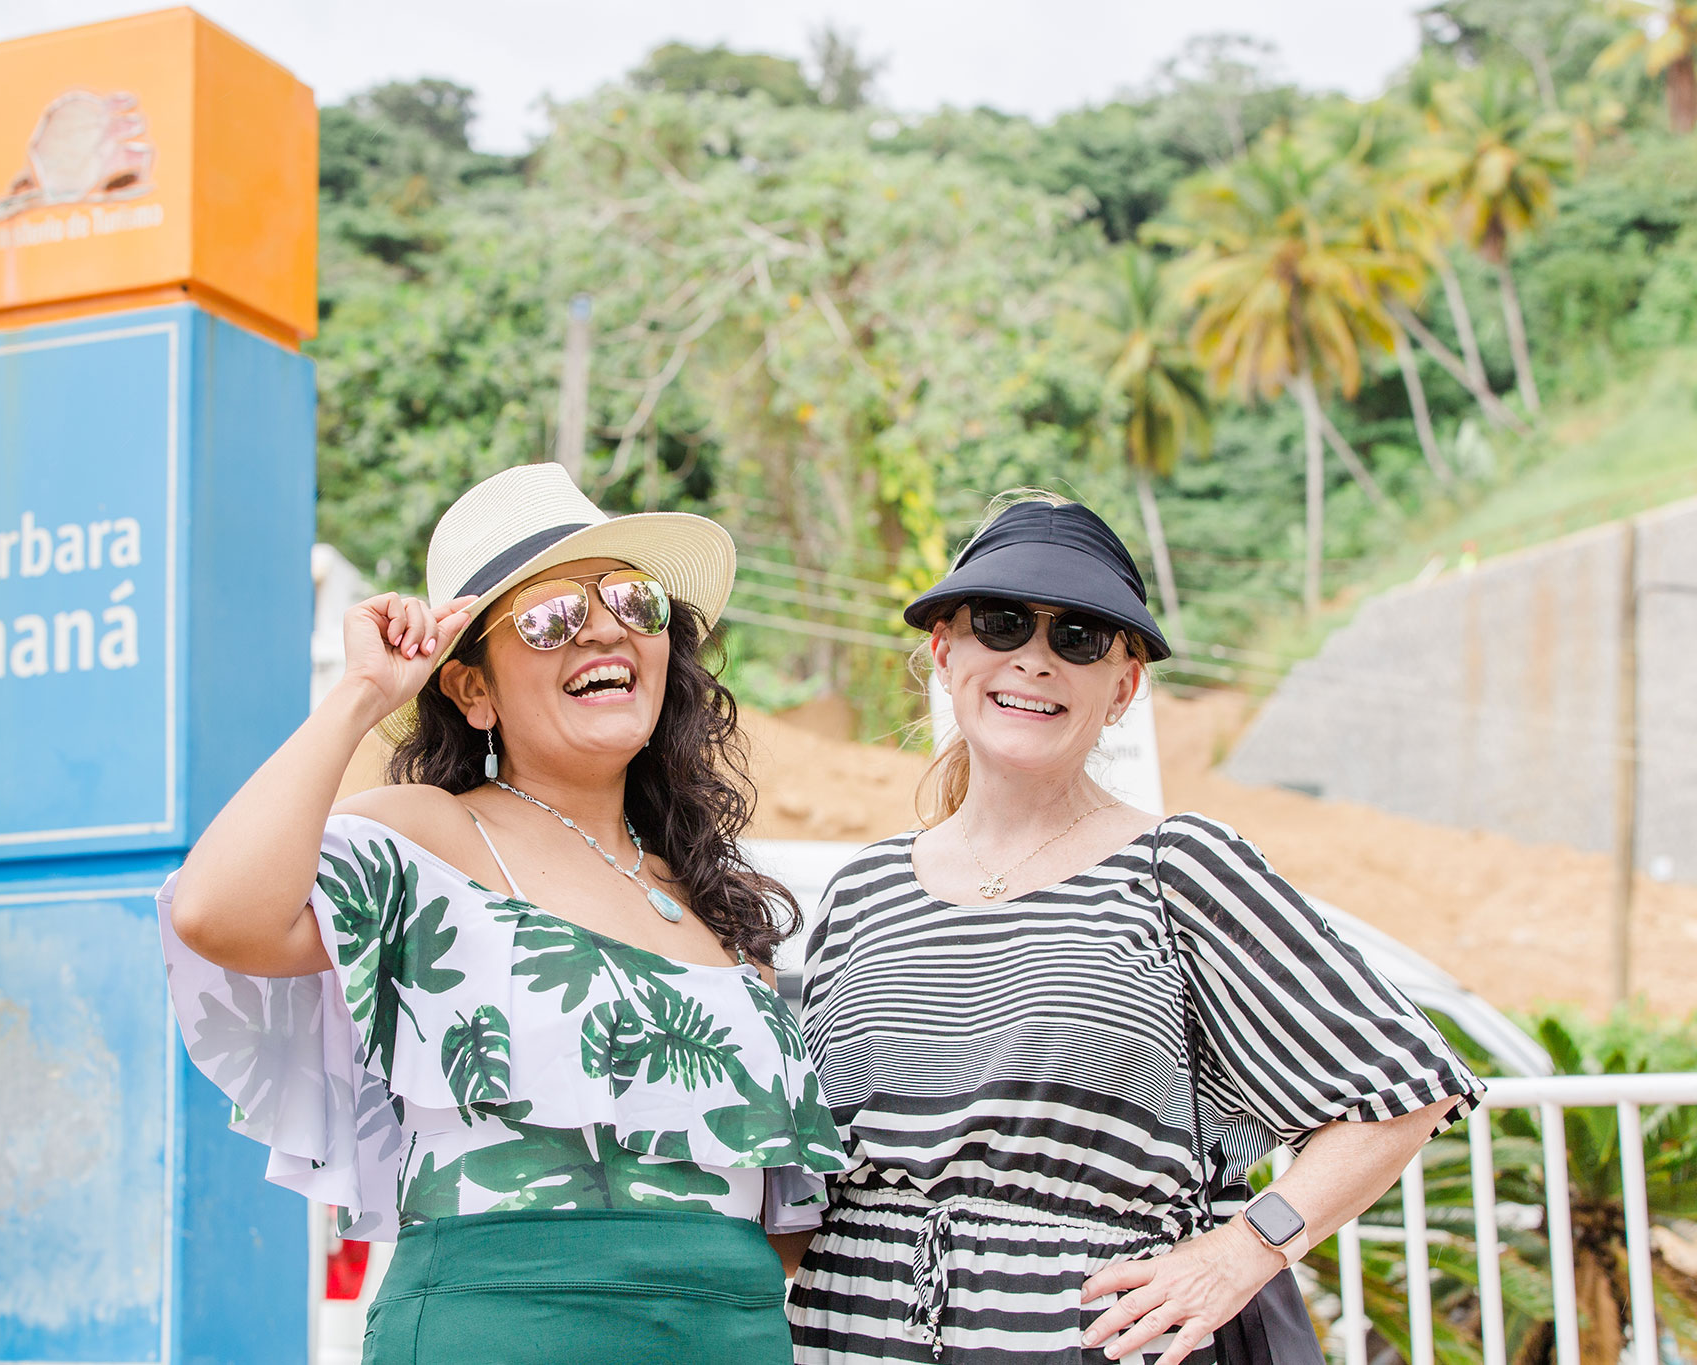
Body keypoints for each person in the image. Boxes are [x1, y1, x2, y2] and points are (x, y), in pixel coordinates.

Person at [160, 463, 846, 1365]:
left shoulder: (721, 909)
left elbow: (779, 1221)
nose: (602, 626)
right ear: (472, 690)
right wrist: (361, 694)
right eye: (550, 616)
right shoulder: (434, 837)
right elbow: (216, 912)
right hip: (501, 1332)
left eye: (632, 601)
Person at [784, 492, 1483, 1365]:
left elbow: (1406, 1090)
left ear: (1122, 687)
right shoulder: (864, 889)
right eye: (1002, 623)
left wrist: (1244, 1251)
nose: (1034, 659)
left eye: (1077, 637)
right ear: (945, 649)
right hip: (847, 1339)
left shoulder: (1177, 868)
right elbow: (801, 1173)